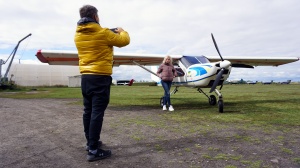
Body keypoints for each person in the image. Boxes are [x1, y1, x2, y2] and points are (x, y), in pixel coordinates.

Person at [74, 5, 130, 162]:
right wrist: (121, 30)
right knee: (97, 112)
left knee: (88, 111)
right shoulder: (103, 32)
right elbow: (124, 41)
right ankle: (93, 150)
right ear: (95, 16)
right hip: (100, 76)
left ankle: (90, 142)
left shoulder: (77, 35)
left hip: (85, 77)